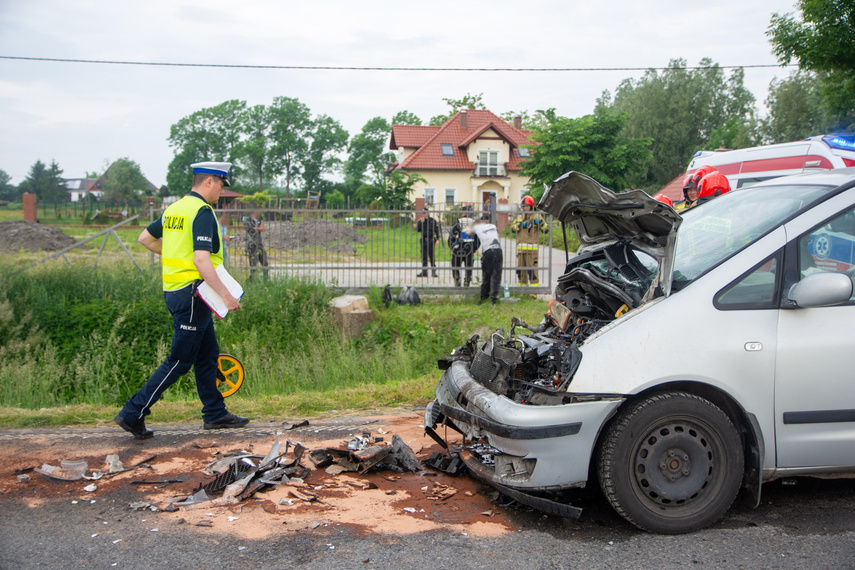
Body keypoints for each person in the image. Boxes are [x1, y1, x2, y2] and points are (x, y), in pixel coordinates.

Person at [115, 161, 248, 439]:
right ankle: (133, 412)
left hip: (176, 291)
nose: (222, 191)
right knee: (179, 361)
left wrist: (176, 254)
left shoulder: (174, 209)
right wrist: (226, 295)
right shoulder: (202, 212)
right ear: (209, 181)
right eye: (222, 184)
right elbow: (201, 259)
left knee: (207, 355)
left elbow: (145, 239)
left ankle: (215, 413)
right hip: (192, 295)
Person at [511, 196, 549, 286]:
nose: (524, 208)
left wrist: (539, 223)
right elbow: (513, 229)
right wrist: (520, 225)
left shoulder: (537, 216)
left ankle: (533, 293)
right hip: (521, 251)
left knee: (532, 272)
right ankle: (522, 291)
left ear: (531, 206)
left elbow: (546, 230)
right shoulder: (520, 217)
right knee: (521, 272)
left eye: (526, 206)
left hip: (532, 251)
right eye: (523, 206)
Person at [470, 215, 503, 305]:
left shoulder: (477, 227)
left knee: (486, 276)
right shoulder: (493, 226)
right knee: (496, 276)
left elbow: (468, 232)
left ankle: (484, 298)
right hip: (498, 251)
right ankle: (494, 300)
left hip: (488, 252)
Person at [448, 206, 477, 287]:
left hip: (458, 247)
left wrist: (451, 245)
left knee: (455, 265)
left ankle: (457, 281)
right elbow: (477, 237)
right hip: (470, 247)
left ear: (463, 213)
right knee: (468, 266)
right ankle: (467, 282)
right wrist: (475, 248)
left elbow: (453, 234)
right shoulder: (474, 222)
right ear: (469, 213)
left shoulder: (458, 221)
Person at [415, 206, 441, 277]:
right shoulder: (421, 221)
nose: (424, 214)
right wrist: (421, 222)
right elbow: (417, 230)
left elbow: (437, 231)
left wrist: (438, 239)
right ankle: (424, 271)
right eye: (423, 213)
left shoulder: (432, 221)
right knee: (424, 257)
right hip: (424, 240)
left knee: (431, 256)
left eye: (425, 213)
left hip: (431, 240)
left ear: (427, 213)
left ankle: (433, 271)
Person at [244, 209, 268, 281]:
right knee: (253, 264)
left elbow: (263, 228)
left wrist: (257, 228)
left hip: (259, 244)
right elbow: (250, 230)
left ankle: (266, 279)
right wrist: (258, 228)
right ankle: (252, 281)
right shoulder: (247, 220)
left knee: (265, 262)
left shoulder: (258, 219)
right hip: (252, 245)